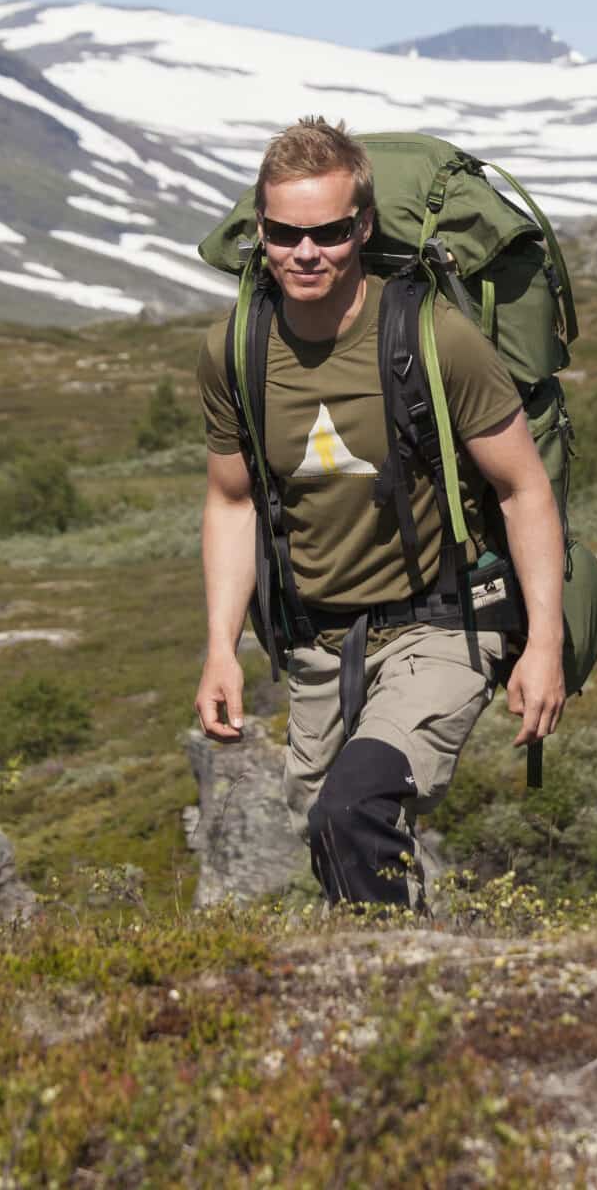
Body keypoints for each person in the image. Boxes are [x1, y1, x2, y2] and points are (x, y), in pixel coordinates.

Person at [194, 117, 566, 908]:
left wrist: (546, 643)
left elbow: (523, 488)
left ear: (362, 225)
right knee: (337, 843)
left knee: (352, 808)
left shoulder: (435, 337)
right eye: (286, 233)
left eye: (328, 231)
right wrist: (220, 649)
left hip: (444, 623)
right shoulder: (237, 348)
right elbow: (231, 502)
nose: (306, 252)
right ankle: (423, 986)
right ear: (259, 230)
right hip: (320, 643)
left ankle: (393, 1002)